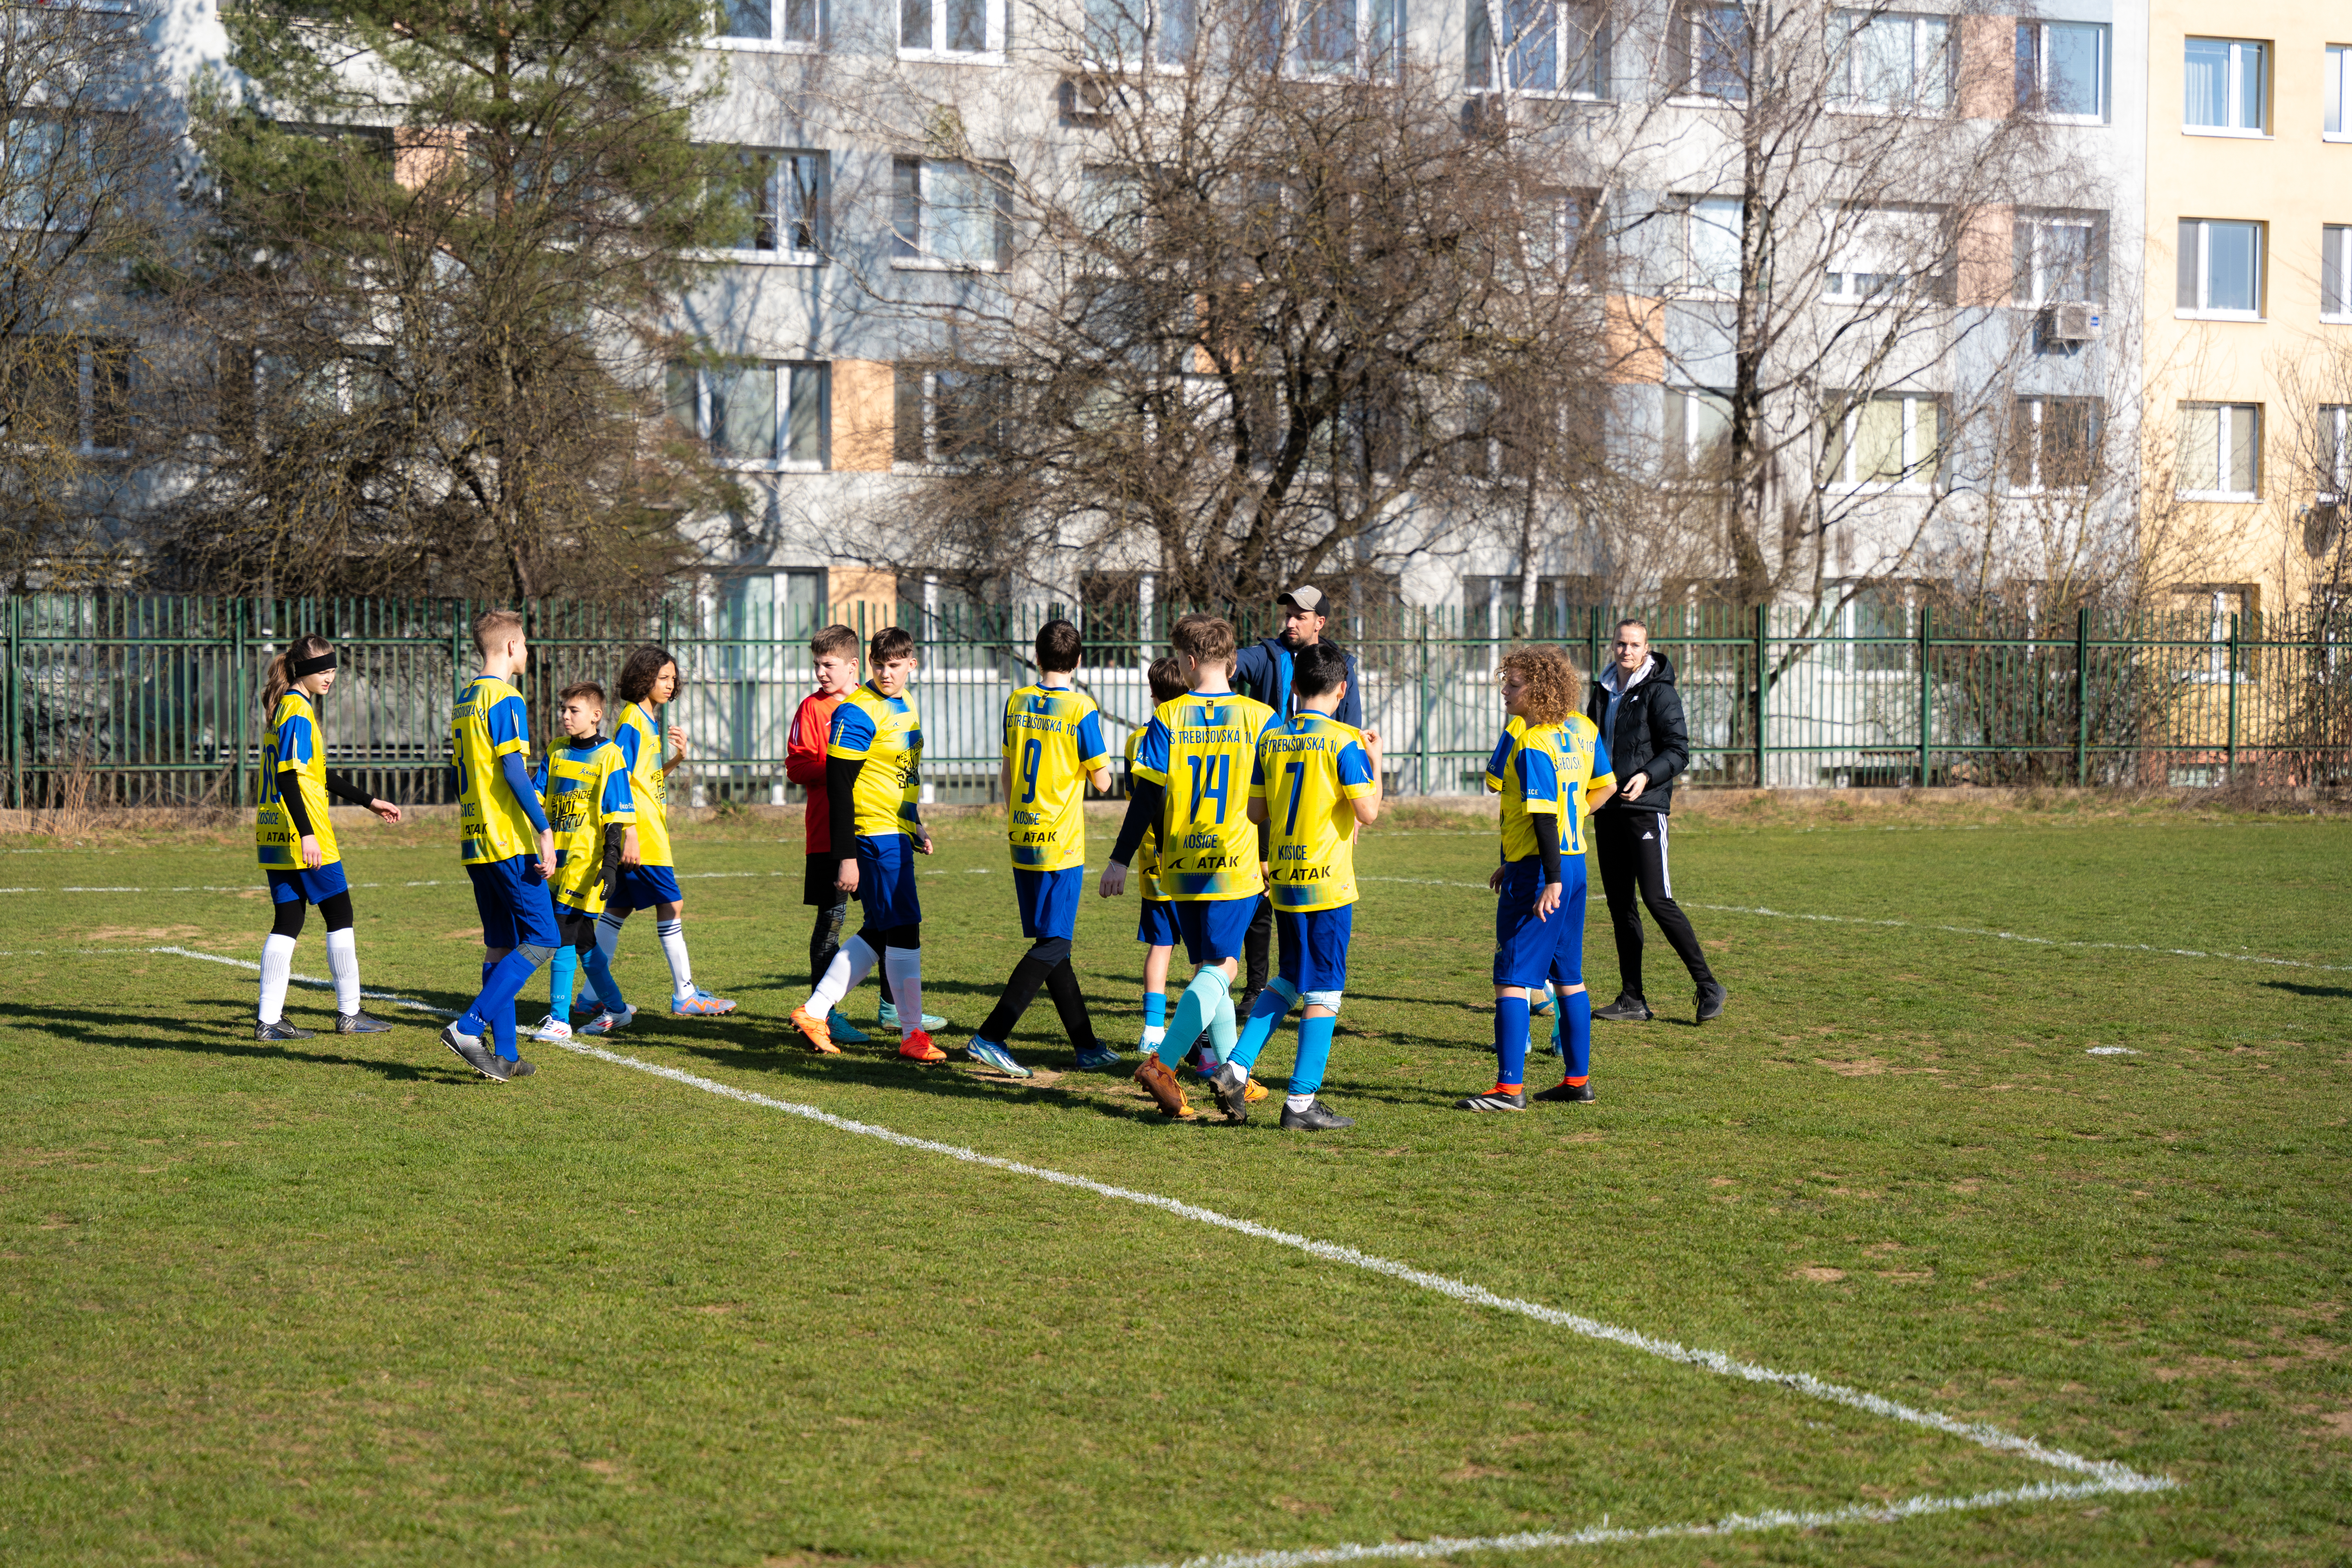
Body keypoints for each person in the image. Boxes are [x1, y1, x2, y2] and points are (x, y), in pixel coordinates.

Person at [1101, 614, 1281, 1120]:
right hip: (1236, 862)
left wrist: (1119, 858)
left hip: (1180, 863)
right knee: (1225, 967)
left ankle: (1232, 1075)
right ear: (1232, 661)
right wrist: (1270, 855)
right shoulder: (1260, 717)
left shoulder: (1168, 717)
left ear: (1192, 661)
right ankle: (1163, 1064)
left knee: (1209, 967)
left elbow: (1146, 797)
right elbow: (1270, 798)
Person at [1210, 640, 1381, 1130]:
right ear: (1343, 688)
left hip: (1284, 880)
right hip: (1327, 884)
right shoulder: (1345, 741)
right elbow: (1368, 813)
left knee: (1289, 979)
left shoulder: (1272, 738)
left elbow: (1255, 813)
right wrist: (1378, 762)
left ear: (1292, 684)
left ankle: (1236, 1066)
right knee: (1324, 991)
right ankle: (1301, 1103)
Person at [1460, 644, 1613, 1112]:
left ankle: (1508, 1090)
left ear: (1541, 688)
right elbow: (1602, 786)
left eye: (1515, 684)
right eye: (1506, 682)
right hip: (1574, 862)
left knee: (1511, 975)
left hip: (1545, 871)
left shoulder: (1532, 742)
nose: (1505, 691)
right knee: (1569, 977)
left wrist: (1546, 876)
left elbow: (1545, 818)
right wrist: (1550, 850)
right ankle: (1577, 1080)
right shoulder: (1583, 729)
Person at [964, 619, 1115, 1078]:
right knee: (1055, 942)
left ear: (1036, 656)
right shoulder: (1081, 708)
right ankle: (991, 1035)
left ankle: (1086, 1045)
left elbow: (1008, 770)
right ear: (1080, 660)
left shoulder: (1018, 700)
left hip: (1022, 835)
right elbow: (1104, 781)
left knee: (1054, 945)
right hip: (1060, 843)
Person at [789, 625, 942, 1061]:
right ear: (869, 664)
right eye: (880, 666)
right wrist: (847, 857)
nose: (887, 673)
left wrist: (916, 823)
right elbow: (839, 788)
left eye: (895, 665)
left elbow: (903, 775)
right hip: (872, 835)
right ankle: (912, 1034)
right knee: (903, 927)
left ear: (912, 663)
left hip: (895, 831)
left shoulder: (906, 703)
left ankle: (815, 1011)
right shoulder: (857, 712)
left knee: (882, 929)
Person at [251, 634, 402, 1041]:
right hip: (304, 833)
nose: (330, 677)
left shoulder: (285, 708)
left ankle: (269, 1021)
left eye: (334, 669)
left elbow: (316, 772)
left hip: (273, 832)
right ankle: (350, 1013)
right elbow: (287, 778)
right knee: (340, 915)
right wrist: (307, 835)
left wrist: (369, 801)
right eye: (324, 670)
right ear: (303, 671)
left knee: (289, 919)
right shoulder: (298, 711)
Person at [1230, 585, 1369, 1022]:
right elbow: (1234, 666)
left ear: (1319, 623)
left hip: (1321, 807)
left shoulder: (1338, 666)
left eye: (1299, 616)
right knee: (1261, 897)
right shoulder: (1269, 654)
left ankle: (1272, 991)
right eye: (1287, 615)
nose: (1289, 623)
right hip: (1274, 792)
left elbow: (1353, 728)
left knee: (1283, 898)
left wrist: (1356, 813)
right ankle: (1259, 986)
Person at [438, 609, 561, 1082]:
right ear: (511, 647)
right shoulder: (506, 698)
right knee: (544, 938)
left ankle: (505, 1055)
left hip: (475, 839)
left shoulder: (465, 699)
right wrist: (544, 830)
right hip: (507, 841)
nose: (528, 651)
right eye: (526, 643)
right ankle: (469, 1027)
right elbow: (513, 771)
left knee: (501, 944)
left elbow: (461, 774)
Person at [1584, 618, 1727, 1025]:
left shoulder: (1660, 692)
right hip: (1606, 809)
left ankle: (1708, 985)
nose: (1626, 651)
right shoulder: (1602, 690)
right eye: (1620, 644)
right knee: (1619, 905)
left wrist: (1646, 775)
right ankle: (1632, 998)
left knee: (1657, 899)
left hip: (1646, 808)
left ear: (1646, 649)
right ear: (1612, 646)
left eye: (1634, 645)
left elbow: (1678, 750)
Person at [593, 645, 736, 1019]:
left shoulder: (645, 719)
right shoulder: (633, 721)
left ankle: (591, 994)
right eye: (664, 678)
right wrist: (632, 834)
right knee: (672, 905)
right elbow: (618, 777)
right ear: (644, 679)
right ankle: (685, 995)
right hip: (643, 834)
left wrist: (677, 760)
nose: (671, 685)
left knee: (618, 909)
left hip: (643, 830)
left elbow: (645, 780)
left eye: (674, 678)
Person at [527, 682, 637, 1044]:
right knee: (586, 944)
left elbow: (616, 817)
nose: (565, 716)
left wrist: (610, 865)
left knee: (561, 936)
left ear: (596, 715)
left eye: (574, 710)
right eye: (564, 709)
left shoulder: (611, 756)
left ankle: (559, 1020)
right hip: (554, 859)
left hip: (584, 863)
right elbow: (536, 793)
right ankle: (618, 1011)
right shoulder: (556, 750)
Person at [785, 624, 875, 1047]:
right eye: (817, 665)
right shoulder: (811, 710)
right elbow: (797, 767)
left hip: (875, 830)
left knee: (889, 919)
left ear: (853, 665)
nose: (821, 672)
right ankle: (823, 1016)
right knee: (830, 924)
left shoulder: (876, 704)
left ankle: (895, 1007)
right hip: (827, 834)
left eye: (829, 665)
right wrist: (843, 767)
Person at [1125, 655, 1189, 1062]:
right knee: (1207, 954)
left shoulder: (1136, 739)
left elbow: (1138, 796)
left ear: (1152, 693)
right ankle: (1200, 1034)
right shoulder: (1189, 735)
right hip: (1191, 855)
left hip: (1151, 855)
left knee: (1160, 943)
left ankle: (1152, 1031)